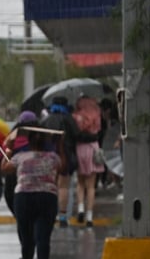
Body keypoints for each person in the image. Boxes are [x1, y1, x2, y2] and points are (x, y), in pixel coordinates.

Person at [2, 123, 64, 259]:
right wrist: (60, 145)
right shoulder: (53, 157)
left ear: (28, 141)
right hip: (47, 197)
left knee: (26, 234)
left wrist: (9, 147)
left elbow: (4, 168)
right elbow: (63, 167)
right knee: (44, 235)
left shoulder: (20, 157)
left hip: (23, 198)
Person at [40, 96, 97, 227]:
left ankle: (49, 214)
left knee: (49, 187)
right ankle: (63, 217)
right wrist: (93, 137)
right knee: (63, 187)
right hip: (65, 156)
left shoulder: (46, 120)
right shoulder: (68, 119)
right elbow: (78, 135)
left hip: (48, 157)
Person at [72, 96, 104, 227]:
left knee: (80, 183)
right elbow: (99, 131)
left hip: (79, 148)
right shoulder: (97, 115)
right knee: (91, 186)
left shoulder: (76, 116)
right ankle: (89, 216)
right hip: (93, 148)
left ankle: (80, 209)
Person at [2, 110, 38, 215]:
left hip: (14, 180)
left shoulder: (12, 138)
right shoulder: (39, 138)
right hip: (35, 181)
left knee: (21, 219)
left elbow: (4, 158)